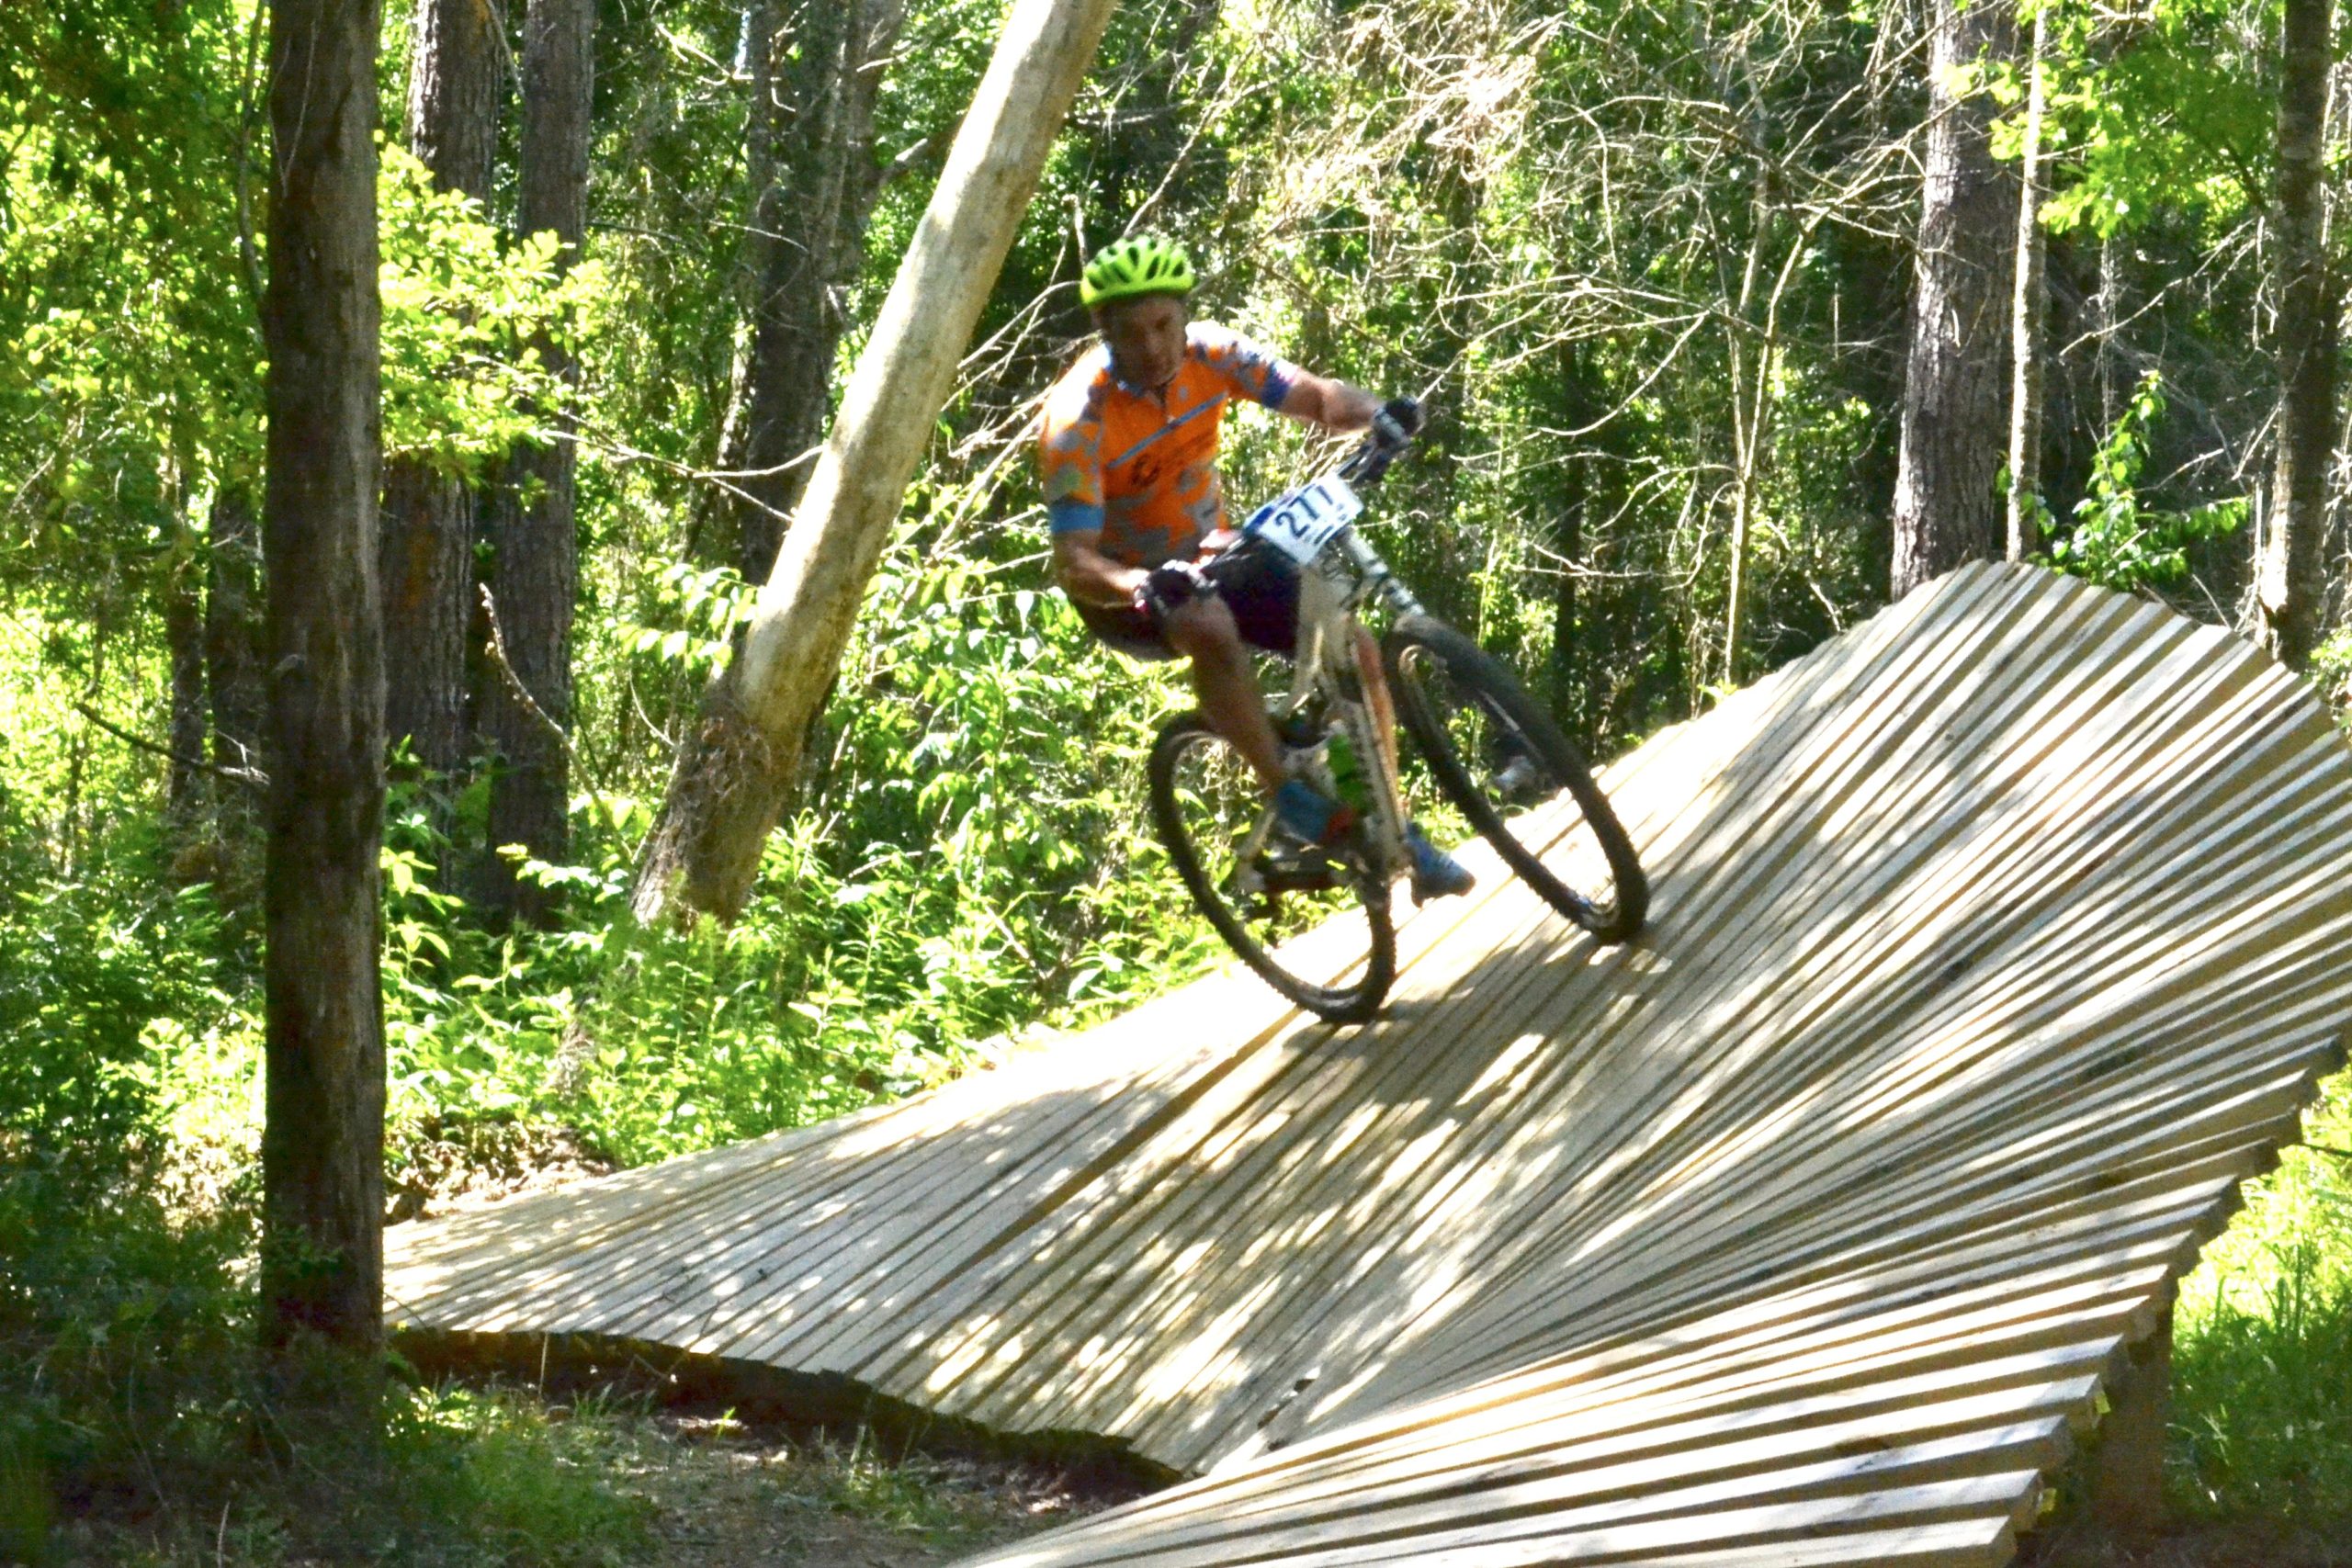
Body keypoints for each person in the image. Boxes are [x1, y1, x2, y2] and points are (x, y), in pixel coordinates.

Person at [1038, 232, 1474, 901]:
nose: (1153, 347)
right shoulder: (1079, 419)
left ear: (1183, 314)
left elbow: (1320, 399)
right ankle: (1289, 797)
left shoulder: (1211, 353)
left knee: (1353, 645)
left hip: (1215, 550)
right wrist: (1140, 582)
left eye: (1163, 325)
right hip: (1122, 591)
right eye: (1132, 334)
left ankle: (1398, 830)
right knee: (1206, 623)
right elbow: (1073, 561)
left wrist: (1379, 414)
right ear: (1104, 331)